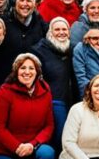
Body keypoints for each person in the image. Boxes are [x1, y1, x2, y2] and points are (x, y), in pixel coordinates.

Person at [30, 17, 76, 151]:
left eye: (64, 29)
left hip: (71, 102)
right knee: (58, 140)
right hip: (52, 103)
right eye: (57, 29)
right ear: (50, 32)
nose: (61, 32)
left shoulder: (72, 49)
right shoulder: (39, 50)